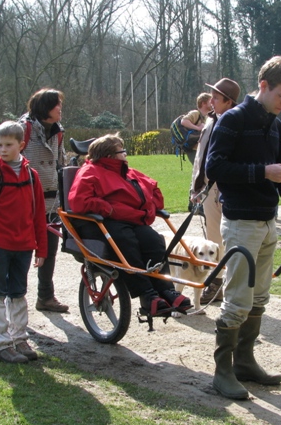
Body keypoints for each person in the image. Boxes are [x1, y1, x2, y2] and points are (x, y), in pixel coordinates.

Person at [206, 56, 281, 400]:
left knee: (259, 298)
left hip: (269, 224)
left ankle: (245, 362)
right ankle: (222, 371)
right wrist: (263, 172)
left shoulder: (275, 126)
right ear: (264, 86)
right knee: (237, 300)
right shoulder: (233, 119)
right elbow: (215, 167)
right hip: (241, 223)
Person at [68, 134, 192, 316]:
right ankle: (146, 295)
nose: (126, 154)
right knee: (126, 243)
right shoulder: (89, 171)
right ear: (109, 156)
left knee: (153, 241)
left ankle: (165, 290)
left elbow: (153, 189)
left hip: (131, 220)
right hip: (103, 223)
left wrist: (149, 207)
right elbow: (79, 201)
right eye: (122, 151)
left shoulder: (127, 172)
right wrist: (109, 209)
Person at [0, 89, 69, 312]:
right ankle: (12, 299)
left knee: (49, 251)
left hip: (51, 202)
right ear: (45, 107)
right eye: (57, 105)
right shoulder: (22, 129)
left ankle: (45, 297)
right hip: (23, 204)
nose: (60, 109)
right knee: (20, 253)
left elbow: (59, 163)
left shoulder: (57, 131)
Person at [0, 121, 48, 364]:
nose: (2, 150)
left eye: (8, 145)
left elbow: (39, 214)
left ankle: (19, 338)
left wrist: (42, 247)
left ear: (21, 145)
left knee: (18, 292)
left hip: (24, 246)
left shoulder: (31, 175)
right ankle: (1, 344)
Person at [190, 78, 241, 305]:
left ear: (229, 102)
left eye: (216, 98)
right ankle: (216, 282)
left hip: (231, 187)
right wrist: (196, 187)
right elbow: (200, 157)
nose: (211, 101)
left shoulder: (239, 123)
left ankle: (235, 287)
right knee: (213, 238)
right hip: (210, 188)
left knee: (235, 238)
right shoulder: (211, 120)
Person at [181, 93, 212, 164]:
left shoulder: (208, 116)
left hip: (202, 149)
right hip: (193, 149)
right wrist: (198, 128)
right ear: (203, 103)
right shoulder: (195, 113)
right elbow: (184, 121)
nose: (212, 103)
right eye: (210, 101)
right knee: (200, 170)